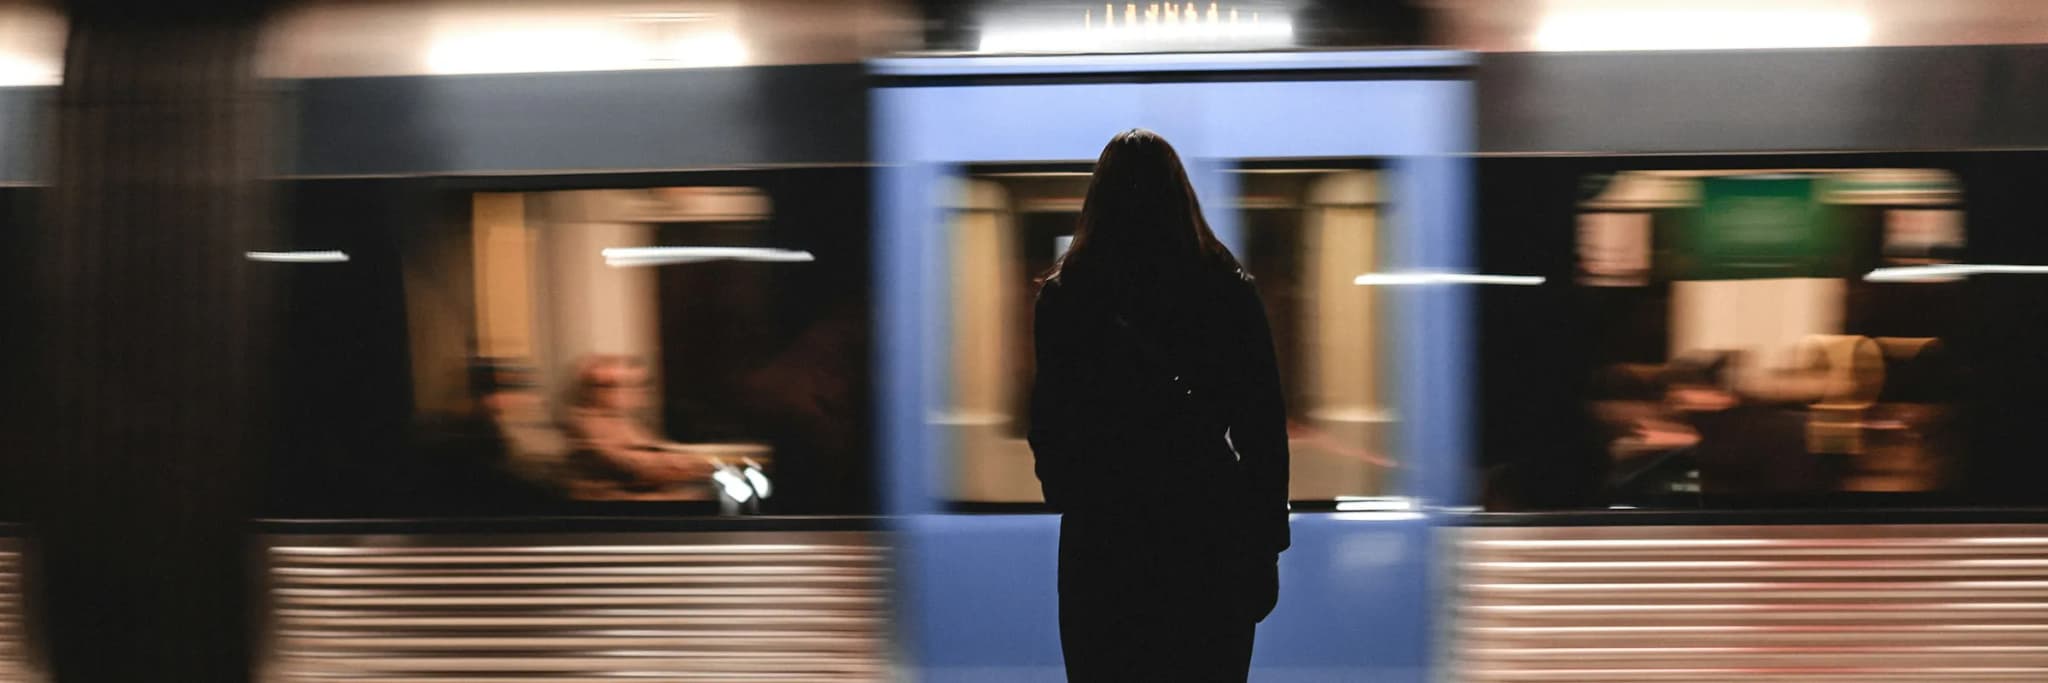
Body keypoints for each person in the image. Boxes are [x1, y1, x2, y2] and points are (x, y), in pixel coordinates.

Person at [1029, 129, 1288, 681]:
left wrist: (1073, 491)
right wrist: (1266, 546)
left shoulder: (1066, 298)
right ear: (1182, 196)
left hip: (1104, 542)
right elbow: (1263, 429)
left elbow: (1049, 424)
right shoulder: (1227, 289)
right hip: (1207, 535)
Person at [563, 354, 716, 500]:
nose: (634, 393)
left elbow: (653, 451)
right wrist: (692, 467)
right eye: (609, 386)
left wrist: (691, 462)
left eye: (638, 386)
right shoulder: (586, 422)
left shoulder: (623, 421)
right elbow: (634, 466)